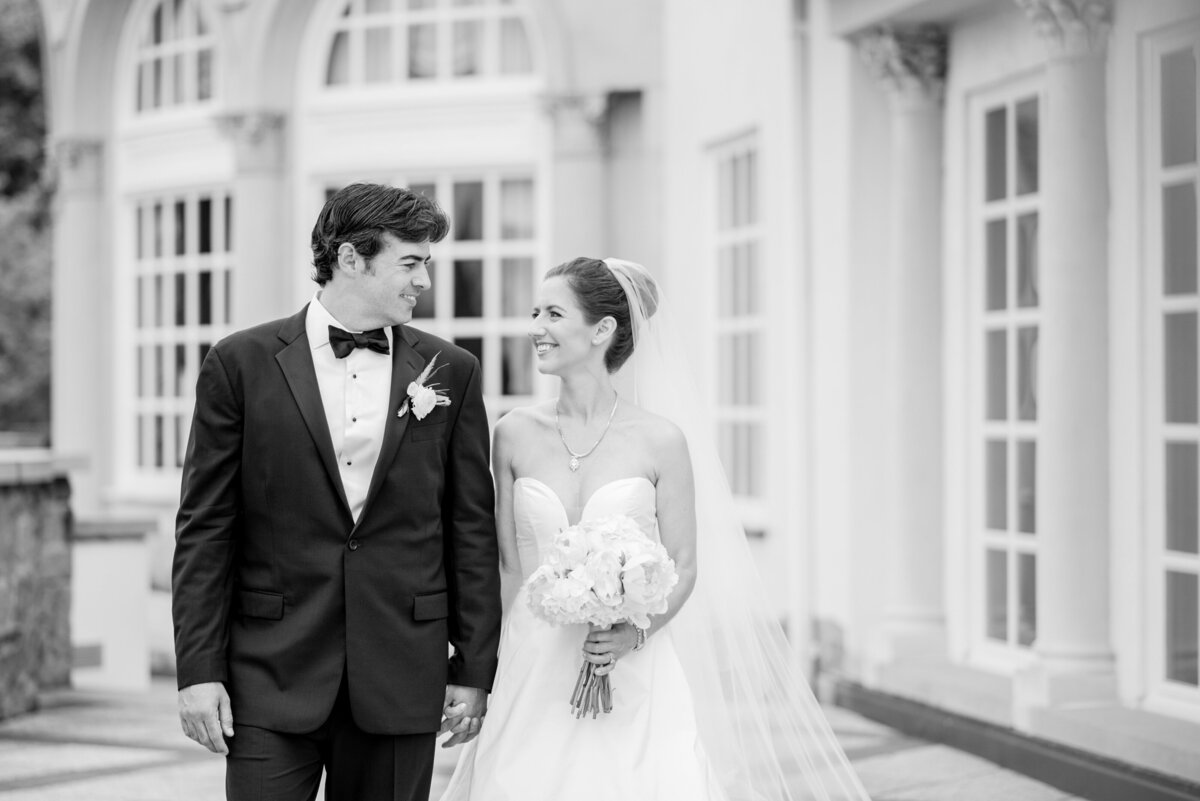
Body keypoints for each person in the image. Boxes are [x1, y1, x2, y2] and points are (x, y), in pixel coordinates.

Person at [440, 257, 870, 800]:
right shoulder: (513, 434)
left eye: (552, 314)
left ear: (602, 330)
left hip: (634, 666)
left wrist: (631, 634)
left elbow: (684, 564)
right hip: (532, 664)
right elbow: (504, 567)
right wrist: (481, 670)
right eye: (534, 313)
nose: (535, 329)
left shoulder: (661, 440)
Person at [172, 182, 501, 801]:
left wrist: (475, 667)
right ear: (351, 258)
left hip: (403, 669)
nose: (423, 281)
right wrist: (198, 671)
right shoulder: (238, 364)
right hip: (270, 673)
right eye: (411, 262)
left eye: (426, 263)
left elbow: (469, 529)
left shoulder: (453, 370)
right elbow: (206, 529)